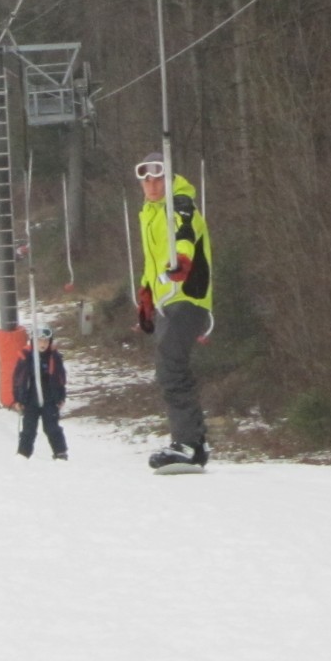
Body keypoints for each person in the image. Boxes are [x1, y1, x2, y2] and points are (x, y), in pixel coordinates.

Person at [135, 151, 212, 472]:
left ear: (169, 179)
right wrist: (146, 295)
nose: (152, 186)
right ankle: (195, 442)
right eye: (147, 181)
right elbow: (152, 262)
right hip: (167, 301)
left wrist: (182, 259)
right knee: (169, 367)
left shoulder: (180, 204)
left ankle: (187, 443)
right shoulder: (149, 213)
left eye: (158, 179)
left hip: (186, 296)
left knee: (170, 367)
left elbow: (184, 234)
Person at [12, 328, 69, 460]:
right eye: (40, 341)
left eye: (46, 341)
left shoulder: (54, 357)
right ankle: (23, 454)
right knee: (29, 429)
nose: (43, 344)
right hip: (30, 398)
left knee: (51, 427)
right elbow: (18, 379)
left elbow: (60, 378)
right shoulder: (26, 356)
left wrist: (61, 397)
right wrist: (18, 399)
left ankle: (60, 452)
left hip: (49, 397)